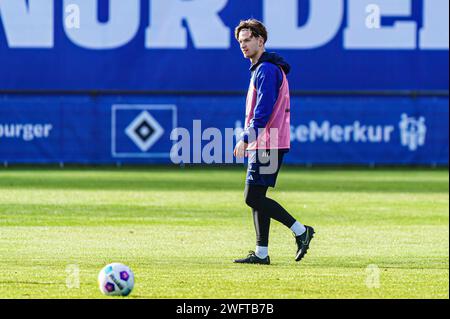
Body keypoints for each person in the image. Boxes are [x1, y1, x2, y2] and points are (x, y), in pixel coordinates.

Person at [233, 19, 315, 265]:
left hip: (268, 142)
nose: (244, 45)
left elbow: (264, 109)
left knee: (252, 197)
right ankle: (261, 253)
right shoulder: (264, 68)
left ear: (261, 40)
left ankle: (301, 231)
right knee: (258, 195)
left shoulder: (267, 69)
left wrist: (247, 138)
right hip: (268, 141)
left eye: (248, 40)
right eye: (240, 41)